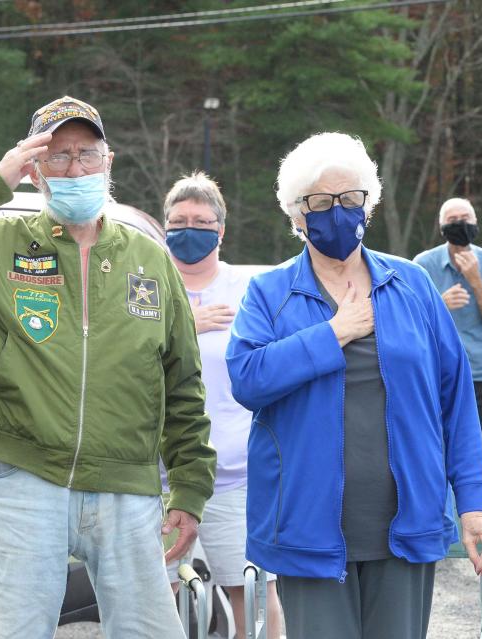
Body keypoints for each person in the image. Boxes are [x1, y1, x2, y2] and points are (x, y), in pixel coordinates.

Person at [0, 96, 216, 639]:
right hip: (25, 480)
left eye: (87, 153)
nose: (75, 168)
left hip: (128, 489)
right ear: (33, 169)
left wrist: (189, 488)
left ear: (110, 160)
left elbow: (182, 381)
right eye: (56, 156)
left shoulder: (149, 258)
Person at [225, 132, 482, 639]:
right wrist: (333, 333)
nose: (338, 211)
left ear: (368, 206)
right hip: (306, 529)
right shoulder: (269, 294)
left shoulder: (412, 284)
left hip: (407, 523)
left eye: (350, 198)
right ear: (295, 214)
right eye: (320, 202)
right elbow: (247, 378)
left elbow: (456, 401)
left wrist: (475, 505)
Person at [161, 172, 284, 638]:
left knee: (252, 592)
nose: (188, 229)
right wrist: (182, 326)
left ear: (221, 230)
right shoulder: (144, 286)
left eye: (200, 220)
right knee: (158, 594)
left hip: (235, 475)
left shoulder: (250, 288)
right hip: (158, 476)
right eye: (178, 220)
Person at [413, 198, 482, 488]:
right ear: (442, 227)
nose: (460, 225)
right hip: (436, 370)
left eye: (465, 218)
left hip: (479, 369)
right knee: (436, 450)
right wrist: (441, 304)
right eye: (453, 220)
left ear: (476, 222)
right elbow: (411, 322)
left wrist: (475, 279)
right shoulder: (423, 264)